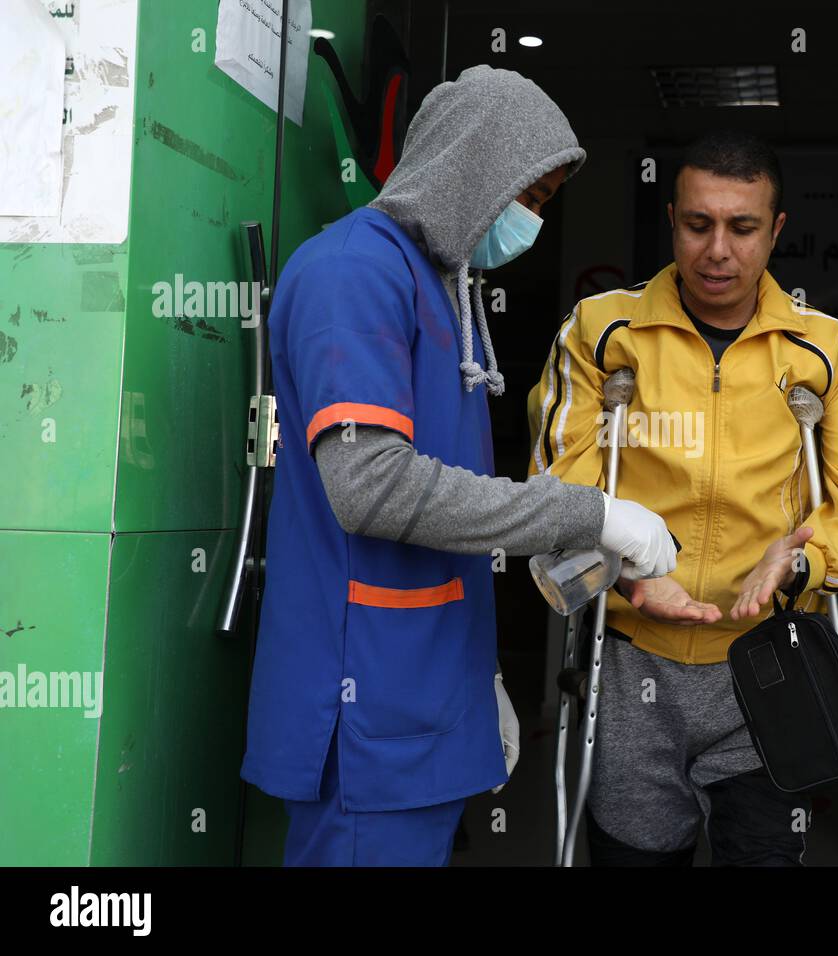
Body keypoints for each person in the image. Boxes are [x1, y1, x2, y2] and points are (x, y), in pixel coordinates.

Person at [239, 65, 676, 867]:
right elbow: (371, 486)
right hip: (369, 705)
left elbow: (445, 503)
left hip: (423, 693)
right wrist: (592, 512)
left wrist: (478, 680)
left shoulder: (440, 289)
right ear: (472, 165)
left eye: (543, 206)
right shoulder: (353, 274)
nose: (529, 223)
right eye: (527, 197)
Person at [528, 130, 838, 865]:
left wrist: (800, 562)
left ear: (777, 229)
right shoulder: (603, 332)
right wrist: (627, 575)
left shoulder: (823, 349)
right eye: (698, 225)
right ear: (672, 220)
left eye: (742, 227)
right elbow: (553, 494)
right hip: (633, 658)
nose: (718, 250)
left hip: (769, 663)